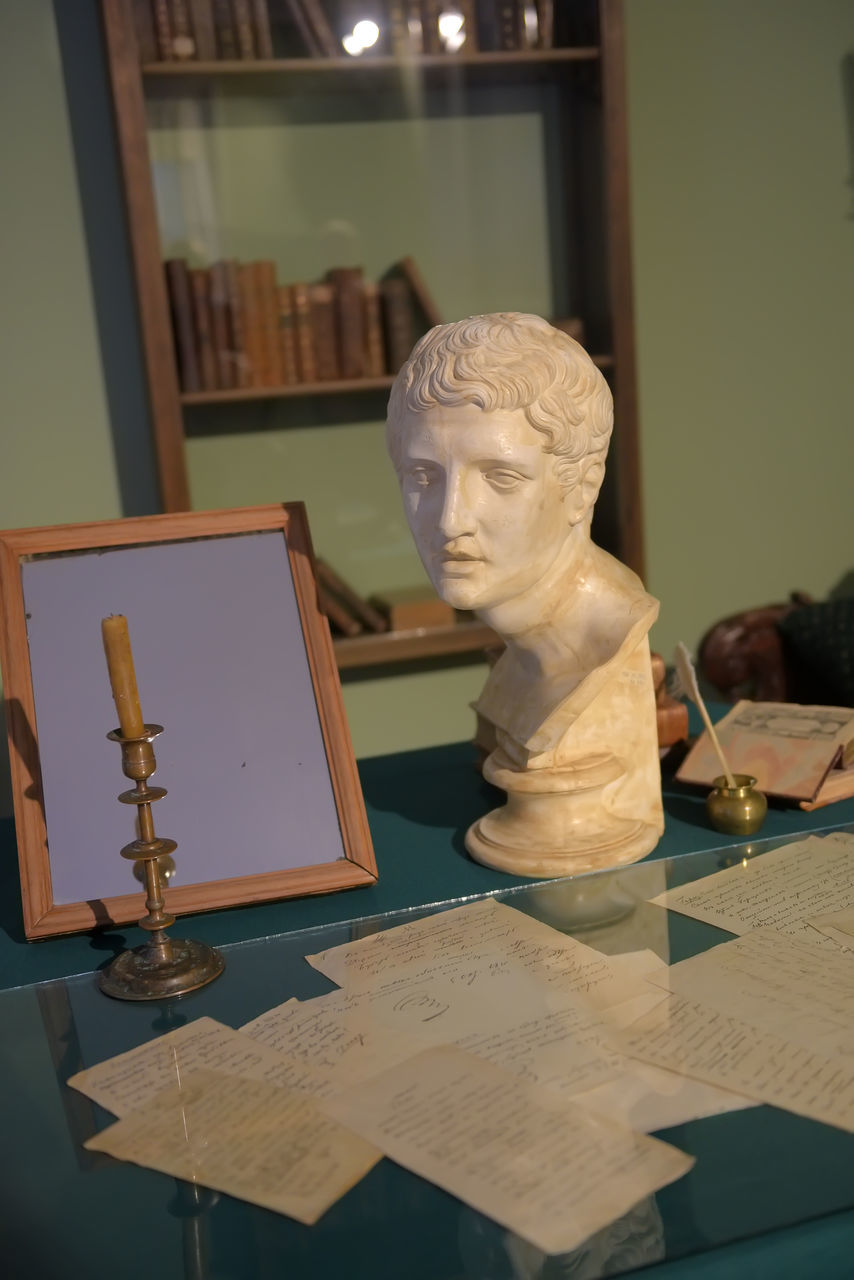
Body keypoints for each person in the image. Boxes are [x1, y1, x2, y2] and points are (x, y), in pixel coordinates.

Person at [387, 312, 663, 875]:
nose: (450, 521)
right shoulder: (518, 646)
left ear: (582, 488)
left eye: (501, 476)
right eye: (423, 476)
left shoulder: (604, 639)